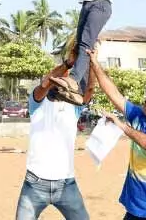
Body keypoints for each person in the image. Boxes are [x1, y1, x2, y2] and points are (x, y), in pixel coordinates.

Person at [87, 47, 146, 220]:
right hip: (135, 208)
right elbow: (113, 93)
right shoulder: (139, 116)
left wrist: (124, 127)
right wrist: (94, 63)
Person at [15, 47, 97, 220]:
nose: (63, 83)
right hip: (34, 183)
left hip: (66, 184)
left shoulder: (73, 107)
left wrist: (91, 64)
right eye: (60, 80)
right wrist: (69, 63)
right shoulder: (37, 103)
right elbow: (46, 82)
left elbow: (89, 91)